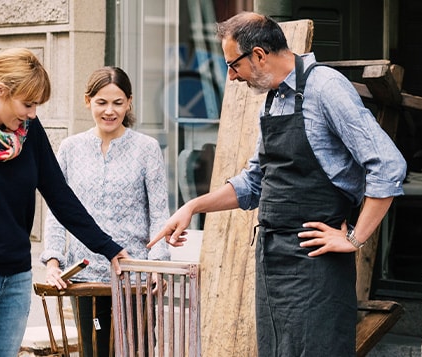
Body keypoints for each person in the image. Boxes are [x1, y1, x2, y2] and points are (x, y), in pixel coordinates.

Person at [148, 12, 407, 356]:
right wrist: (192, 206)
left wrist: (354, 238)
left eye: (233, 65)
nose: (231, 76)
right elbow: (255, 180)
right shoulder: (275, 99)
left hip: (316, 266)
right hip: (273, 261)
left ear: (258, 54)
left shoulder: (326, 87)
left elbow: (387, 165)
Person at [0, 48, 130, 357]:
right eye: (28, 104)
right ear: (1, 91)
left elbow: (61, 197)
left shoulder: (28, 134)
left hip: (17, 279)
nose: (32, 114)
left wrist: (110, 248)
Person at [40, 66, 171, 356]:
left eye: (118, 102)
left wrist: (157, 266)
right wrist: (53, 261)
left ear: (129, 103)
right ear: (88, 101)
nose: (109, 111)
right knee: (94, 351)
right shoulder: (70, 148)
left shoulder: (146, 149)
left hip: (134, 278)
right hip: (86, 279)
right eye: (101, 102)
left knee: (137, 351)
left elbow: (160, 213)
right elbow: (57, 212)